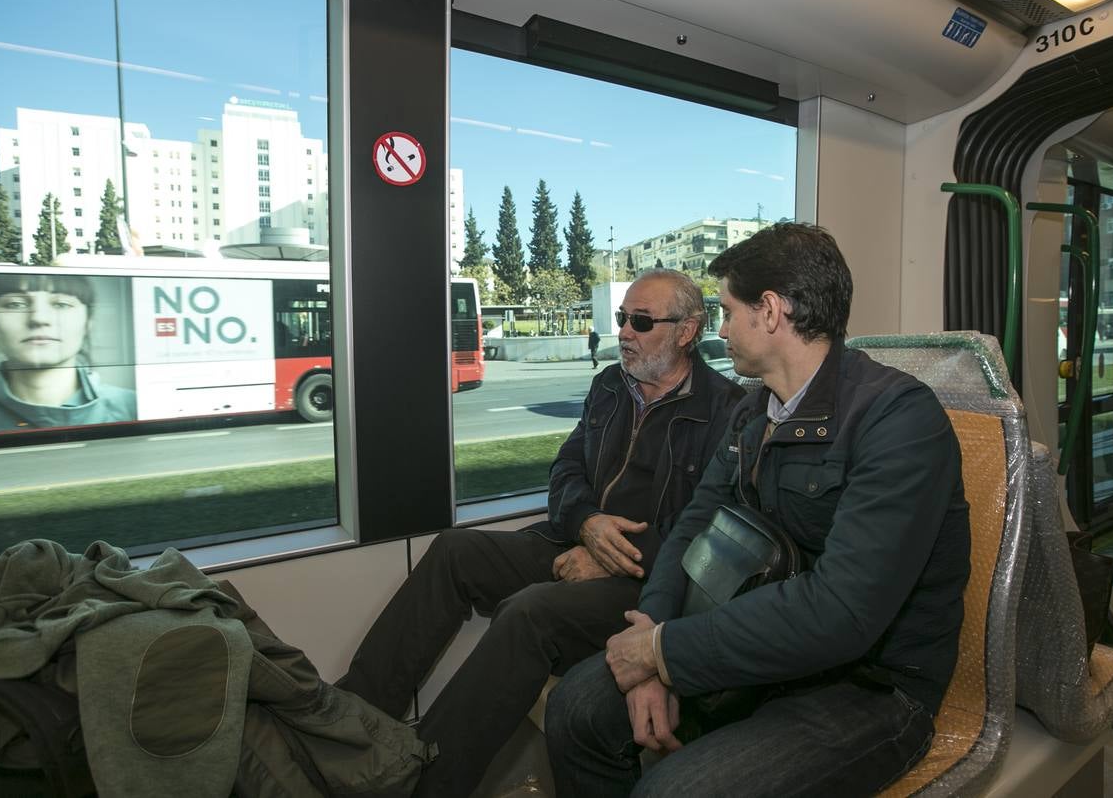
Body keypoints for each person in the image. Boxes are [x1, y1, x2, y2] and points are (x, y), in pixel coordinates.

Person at [546, 223, 971, 797]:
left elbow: (841, 612)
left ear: (769, 311)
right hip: (763, 649)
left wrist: (664, 654)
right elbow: (694, 525)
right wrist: (652, 630)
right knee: (576, 708)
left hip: (867, 688)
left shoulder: (898, 421)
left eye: (725, 311)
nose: (718, 331)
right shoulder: (754, 413)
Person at [334, 269, 744, 797]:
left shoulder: (727, 411)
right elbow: (566, 471)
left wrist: (615, 555)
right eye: (623, 318)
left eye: (641, 322)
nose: (624, 332)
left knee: (529, 611)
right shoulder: (610, 387)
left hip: (648, 579)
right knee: (455, 550)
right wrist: (586, 524)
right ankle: (348, 726)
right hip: (574, 538)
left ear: (687, 331)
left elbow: (710, 528)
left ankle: (420, 783)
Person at [0, 273, 136, 436]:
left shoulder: (131, 405)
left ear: (87, 323)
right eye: (15, 304)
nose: (39, 319)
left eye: (61, 304)